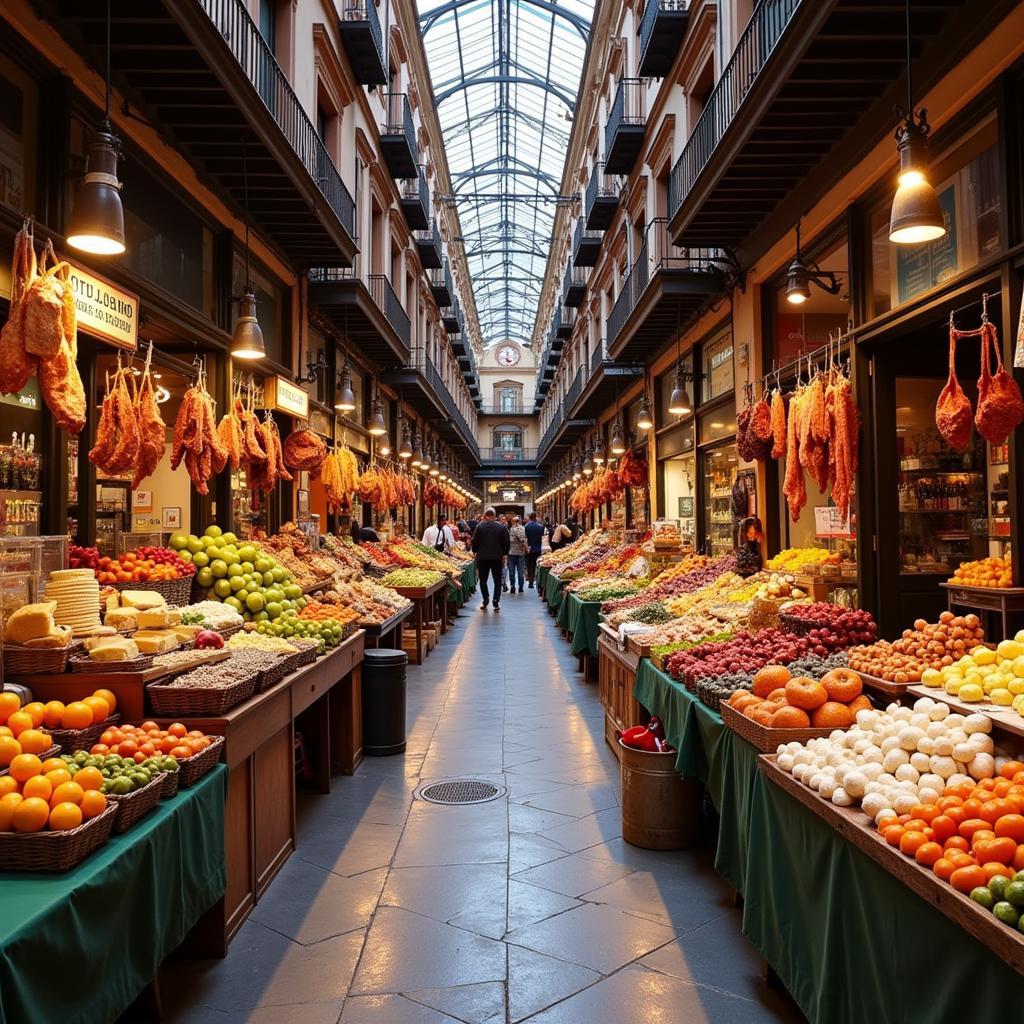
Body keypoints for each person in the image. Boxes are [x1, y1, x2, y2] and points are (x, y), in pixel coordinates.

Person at [471, 507, 510, 611]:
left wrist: (474, 551)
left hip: (482, 557)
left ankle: (485, 599)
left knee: (483, 580)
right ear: (494, 516)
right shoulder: (501, 527)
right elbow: (506, 542)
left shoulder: (480, 526)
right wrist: (505, 553)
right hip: (497, 558)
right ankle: (496, 600)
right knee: (497, 580)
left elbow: (474, 541)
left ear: (486, 516)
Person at [524, 511, 544, 588]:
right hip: (538, 549)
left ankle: (531, 582)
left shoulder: (526, 527)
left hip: (529, 549)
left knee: (530, 566)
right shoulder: (541, 527)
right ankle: (538, 582)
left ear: (529, 518)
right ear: (536, 517)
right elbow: (542, 538)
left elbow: (525, 538)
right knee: (538, 566)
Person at [507, 516, 527, 594]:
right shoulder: (523, 528)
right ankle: (520, 587)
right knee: (520, 571)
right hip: (520, 553)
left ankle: (512, 587)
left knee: (512, 572)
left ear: (514, 522)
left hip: (512, 553)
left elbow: (521, 539)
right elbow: (524, 539)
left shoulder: (514, 529)